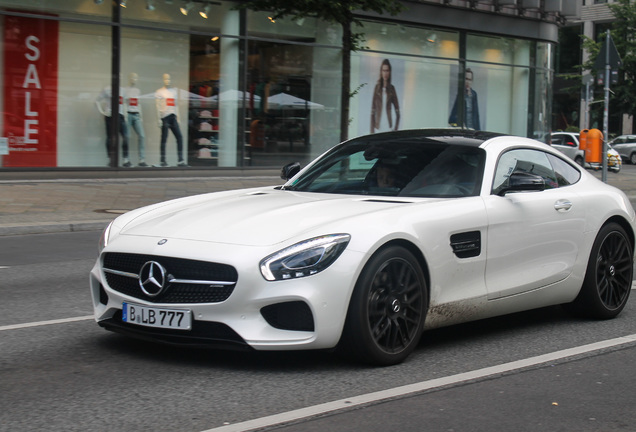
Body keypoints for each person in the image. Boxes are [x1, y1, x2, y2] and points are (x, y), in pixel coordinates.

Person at [155, 73, 186, 167]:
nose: (167, 81)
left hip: (173, 117)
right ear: (163, 80)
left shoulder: (174, 92)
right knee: (164, 139)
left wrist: (178, 118)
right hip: (165, 117)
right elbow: (157, 106)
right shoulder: (159, 92)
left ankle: (180, 160)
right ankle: (162, 160)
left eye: (169, 79)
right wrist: (159, 119)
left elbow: (176, 106)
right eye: (165, 79)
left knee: (179, 137)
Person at [95, 85, 130, 167]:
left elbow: (125, 103)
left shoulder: (123, 90)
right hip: (110, 116)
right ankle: (110, 159)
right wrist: (102, 112)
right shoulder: (107, 89)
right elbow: (97, 101)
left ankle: (126, 159)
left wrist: (125, 115)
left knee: (125, 136)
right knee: (110, 138)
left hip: (120, 115)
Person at [370, 59, 400, 133]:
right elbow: (372, 111)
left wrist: (395, 129)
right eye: (383, 70)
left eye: (387, 71)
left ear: (390, 72)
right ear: (381, 71)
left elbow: (398, 112)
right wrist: (372, 131)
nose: (385, 73)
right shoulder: (377, 88)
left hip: (388, 128)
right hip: (377, 128)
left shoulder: (392, 89)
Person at [125, 73, 147, 167]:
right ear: (129, 79)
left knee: (142, 135)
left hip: (136, 114)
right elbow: (124, 103)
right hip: (128, 114)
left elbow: (139, 103)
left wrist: (140, 116)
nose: (134, 79)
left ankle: (142, 159)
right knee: (127, 136)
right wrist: (125, 114)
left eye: (136, 78)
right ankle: (126, 159)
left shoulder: (138, 90)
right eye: (133, 77)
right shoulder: (125, 90)